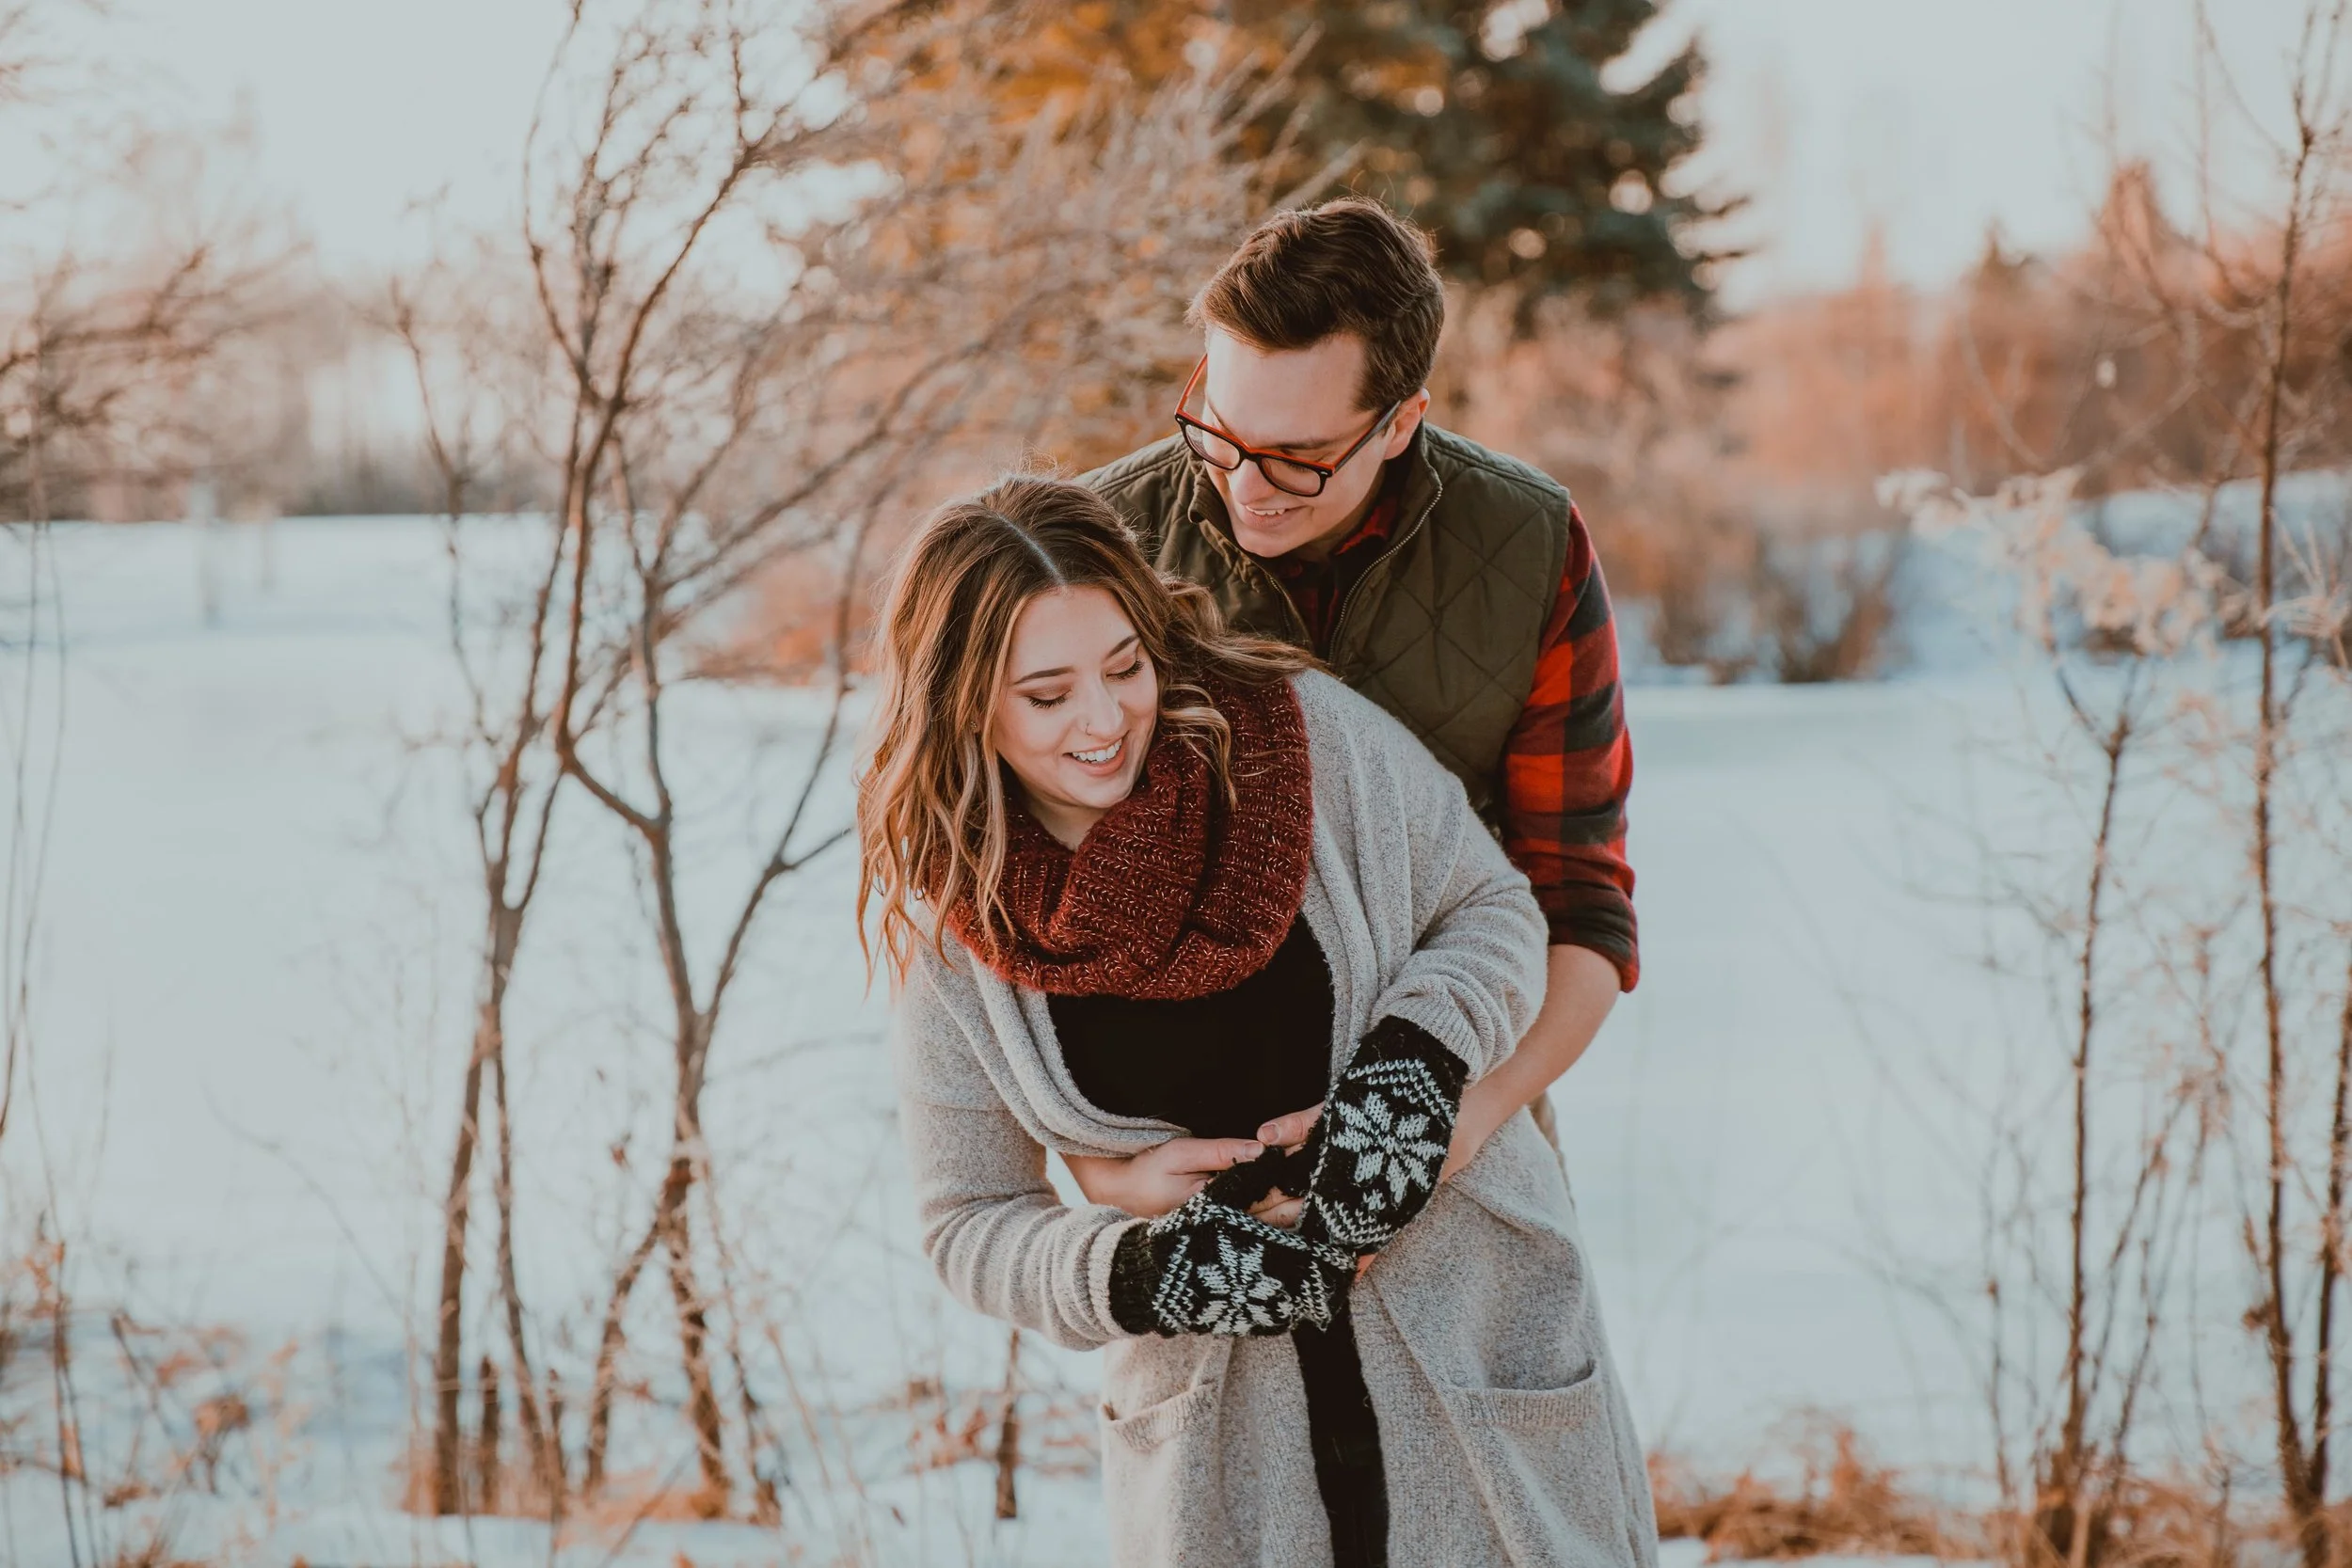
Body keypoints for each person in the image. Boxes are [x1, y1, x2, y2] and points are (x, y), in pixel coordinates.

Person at [857, 476, 1657, 1568]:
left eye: (1125, 666)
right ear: (963, 703)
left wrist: (1411, 1079)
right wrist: (1140, 1272)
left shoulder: (1298, 743)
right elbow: (970, 1221)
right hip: (1224, 1464)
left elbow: (1493, 910)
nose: (1103, 720)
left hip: (1481, 1372)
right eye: (1046, 694)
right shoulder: (956, 922)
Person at [1073, 199, 1636, 1216]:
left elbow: (1579, 903)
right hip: (1183, 1169)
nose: (1246, 486)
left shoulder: (1530, 544)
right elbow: (989, 882)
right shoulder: (1094, 546)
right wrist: (1093, 1163)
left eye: (1298, 455)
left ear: (1401, 420)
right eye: (1219, 431)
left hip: (1463, 1128)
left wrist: (1459, 1126)